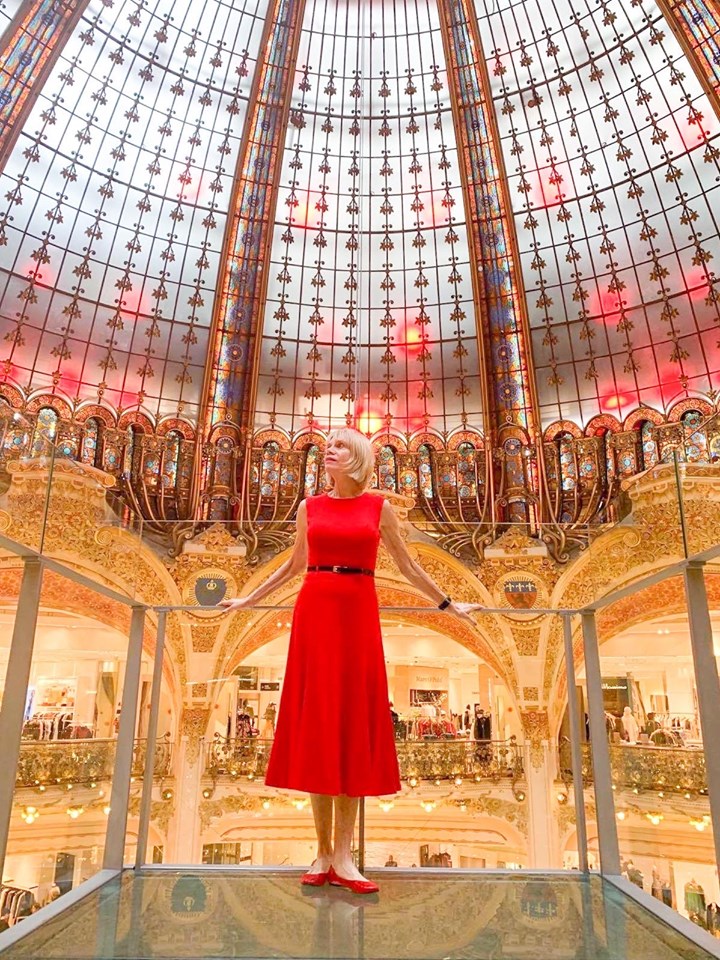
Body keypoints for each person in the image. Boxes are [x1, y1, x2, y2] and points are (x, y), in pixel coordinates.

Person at [220, 428, 482, 895]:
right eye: (328, 445)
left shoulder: (380, 509)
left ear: (358, 457)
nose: (329, 450)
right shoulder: (309, 507)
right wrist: (246, 600)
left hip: (358, 609)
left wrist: (449, 605)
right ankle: (322, 852)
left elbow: (408, 566)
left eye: (339, 446)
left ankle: (344, 856)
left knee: (352, 724)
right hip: (316, 609)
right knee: (320, 725)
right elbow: (291, 565)